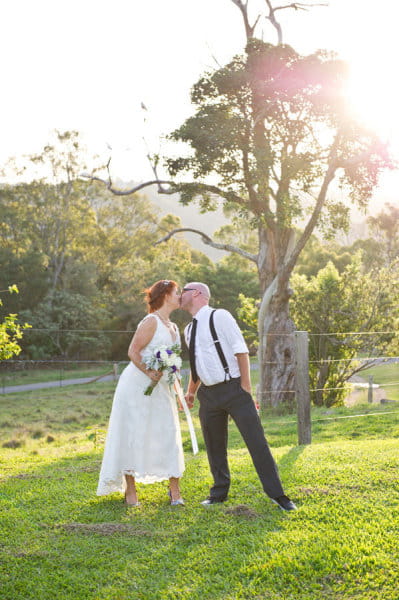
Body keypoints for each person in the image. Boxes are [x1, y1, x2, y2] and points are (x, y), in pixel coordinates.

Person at [181, 282, 297, 511]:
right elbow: (197, 366)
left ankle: (278, 495)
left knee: (256, 442)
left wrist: (245, 388)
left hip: (235, 389)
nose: (178, 296)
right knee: (214, 446)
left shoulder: (220, 316)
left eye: (182, 291)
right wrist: (191, 392)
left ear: (196, 293)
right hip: (209, 395)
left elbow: (240, 350)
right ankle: (219, 493)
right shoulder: (188, 330)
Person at [97, 280, 185, 506]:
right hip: (137, 386)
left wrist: (176, 386)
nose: (180, 296)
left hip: (163, 389)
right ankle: (130, 490)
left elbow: (173, 362)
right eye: (177, 292)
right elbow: (133, 351)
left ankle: (174, 491)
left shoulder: (173, 327)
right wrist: (149, 372)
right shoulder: (150, 321)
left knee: (168, 433)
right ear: (166, 295)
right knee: (134, 433)